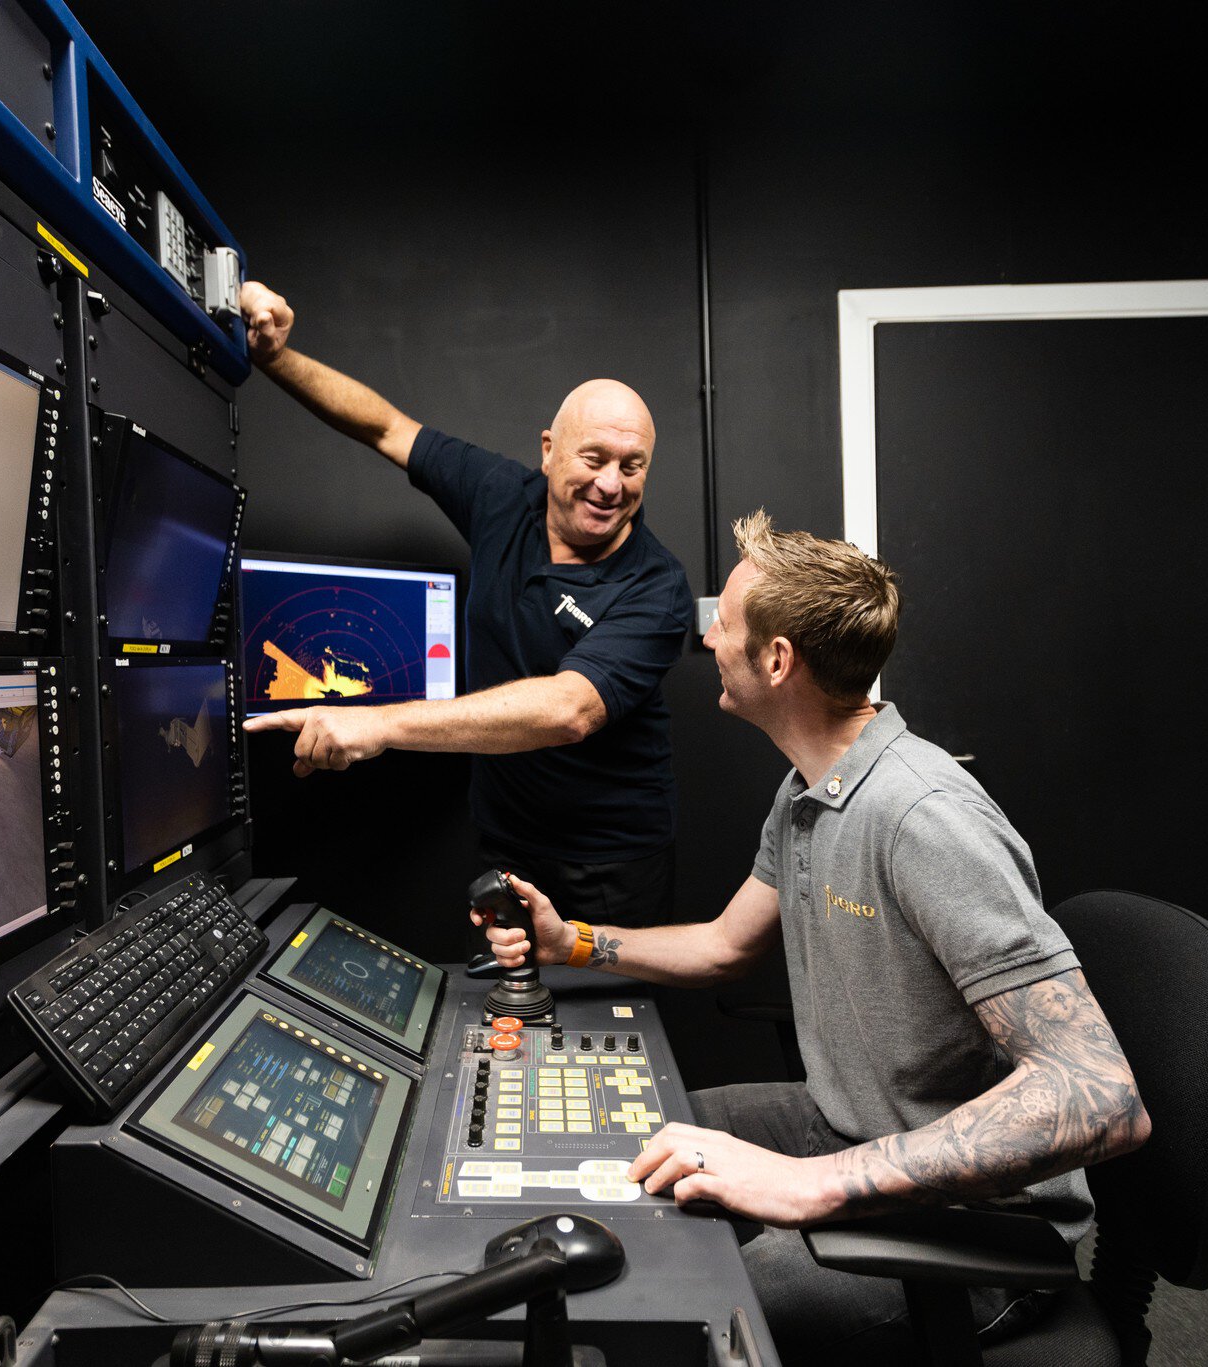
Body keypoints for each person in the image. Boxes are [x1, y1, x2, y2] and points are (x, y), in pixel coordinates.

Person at [472, 510, 1151, 1359]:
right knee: (629, 1145)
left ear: (778, 659)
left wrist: (806, 1183)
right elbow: (725, 945)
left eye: (725, 620)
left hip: (971, 1228)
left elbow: (1102, 1095)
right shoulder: (812, 785)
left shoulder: (921, 818)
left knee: (670, 1312)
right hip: (846, 1122)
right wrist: (571, 940)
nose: (709, 634)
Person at [237, 281, 694, 928]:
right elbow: (387, 428)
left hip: (611, 864)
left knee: (603, 1027)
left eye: (632, 465)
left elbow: (569, 709)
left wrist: (377, 723)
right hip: (506, 843)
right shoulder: (502, 496)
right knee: (507, 1022)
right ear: (548, 451)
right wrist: (272, 356)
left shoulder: (657, 585)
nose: (610, 484)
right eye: (593, 458)